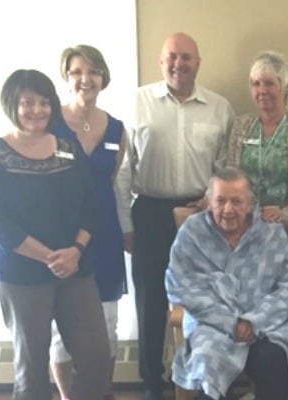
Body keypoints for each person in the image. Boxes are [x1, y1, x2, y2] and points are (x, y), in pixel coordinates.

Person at [0, 69, 111, 400]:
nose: (37, 110)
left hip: (74, 268)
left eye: (44, 102)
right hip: (20, 275)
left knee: (96, 359)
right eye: (27, 102)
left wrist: (75, 252)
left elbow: (91, 208)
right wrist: (50, 257)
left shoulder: (69, 148)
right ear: (12, 105)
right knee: (32, 368)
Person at [115, 32, 236, 400]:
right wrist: (126, 225)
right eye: (172, 57)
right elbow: (123, 170)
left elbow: (228, 165)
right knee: (151, 303)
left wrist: (214, 202)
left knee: (211, 299)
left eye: (186, 57)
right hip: (151, 211)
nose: (178, 64)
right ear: (160, 61)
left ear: (198, 63)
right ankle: (153, 383)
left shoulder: (220, 107)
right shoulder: (138, 103)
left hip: (203, 213)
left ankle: (211, 380)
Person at [165, 168, 288, 400]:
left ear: (250, 202)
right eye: (220, 201)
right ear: (208, 202)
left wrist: (255, 321)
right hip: (211, 327)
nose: (228, 210)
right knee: (208, 361)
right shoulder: (192, 233)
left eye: (237, 201)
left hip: (266, 328)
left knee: (274, 359)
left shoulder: (271, 233)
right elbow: (180, 285)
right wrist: (231, 323)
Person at [48, 44, 128, 400]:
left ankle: (101, 392)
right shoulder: (50, 125)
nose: (86, 79)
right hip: (61, 235)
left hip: (105, 234)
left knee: (108, 322)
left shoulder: (117, 130)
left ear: (103, 77)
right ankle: (69, 396)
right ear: (67, 78)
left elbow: (111, 183)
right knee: (62, 326)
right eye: (77, 72)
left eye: (93, 71)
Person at [216, 50, 288, 267]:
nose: (262, 90)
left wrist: (284, 214)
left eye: (269, 83)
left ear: (284, 87)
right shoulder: (241, 126)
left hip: (285, 237)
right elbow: (230, 178)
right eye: (255, 83)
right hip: (242, 233)